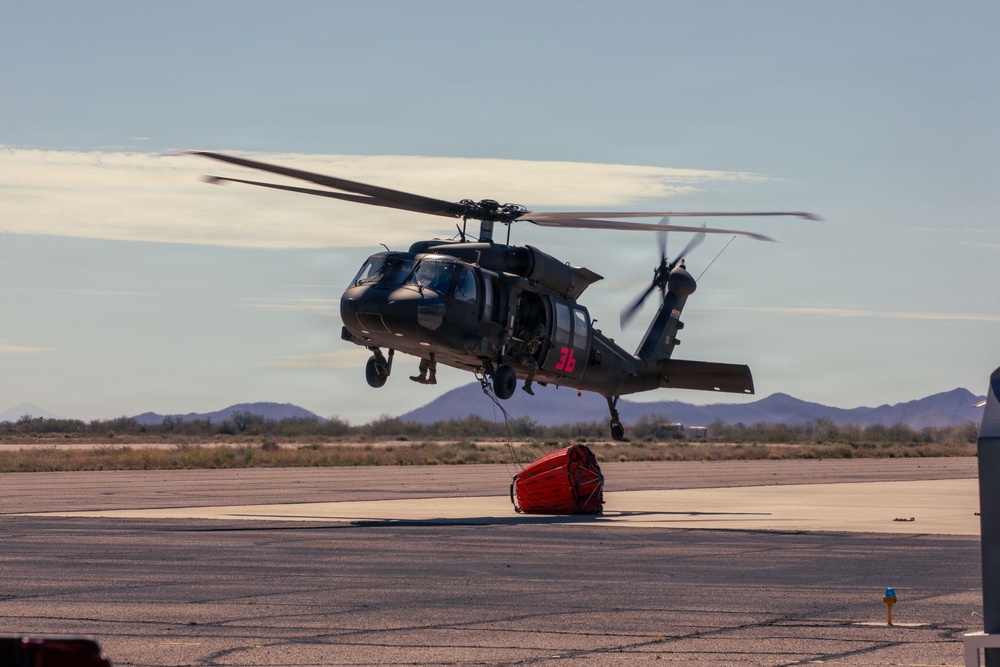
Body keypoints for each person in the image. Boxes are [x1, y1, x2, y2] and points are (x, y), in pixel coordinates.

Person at [517, 323, 545, 395]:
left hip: (522, 355)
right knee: (535, 365)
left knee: (534, 365)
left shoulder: (535, 340)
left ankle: (527, 385)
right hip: (516, 353)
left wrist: (530, 342)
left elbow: (531, 352)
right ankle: (527, 386)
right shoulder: (525, 332)